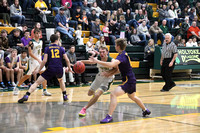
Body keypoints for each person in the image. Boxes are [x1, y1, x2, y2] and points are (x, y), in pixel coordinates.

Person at [89, 38, 151, 123]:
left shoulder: (121, 56)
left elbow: (111, 64)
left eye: (115, 45)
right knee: (132, 96)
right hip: (131, 79)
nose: (115, 46)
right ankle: (145, 110)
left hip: (129, 80)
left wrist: (97, 61)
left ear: (118, 46)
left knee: (113, 94)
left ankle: (109, 116)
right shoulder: (123, 54)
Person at [18, 34, 73, 103]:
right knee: (61, 80)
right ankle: (64, 95)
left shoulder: (47, 48)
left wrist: (38, 69)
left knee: (37, 82)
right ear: (57, 40)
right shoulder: (61, 48)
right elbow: (67, 60)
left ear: (51, 40)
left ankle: (27, 95)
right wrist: (69, 68)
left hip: (50, 68)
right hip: (59, 68)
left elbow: (44, 60)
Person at [79, 46, 116, 117]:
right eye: (100, 52)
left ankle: (84, 109)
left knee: (97, 94)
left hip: (108, 79)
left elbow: (117, 70)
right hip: (99, 77)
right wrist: (81, 61)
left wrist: (109, 73)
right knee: (89, 93)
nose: (102, 53)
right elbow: (91, 61)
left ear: (107, 52)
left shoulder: (111, 60)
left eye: (103, 52)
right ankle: (94, 97)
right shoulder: (98, 58)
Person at [13, 29, 51, 96]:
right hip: (32, 61)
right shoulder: (31, 42)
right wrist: (37, 59)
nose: (38, 35)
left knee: (44, 75)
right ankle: (17, 87)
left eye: (39, 33)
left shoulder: (41, 41)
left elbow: (40, 51)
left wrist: (40, 59)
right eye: (37, 33)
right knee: (27, 76)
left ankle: (45, 90)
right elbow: (30, 53)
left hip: (39, 60)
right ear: (34, 34)